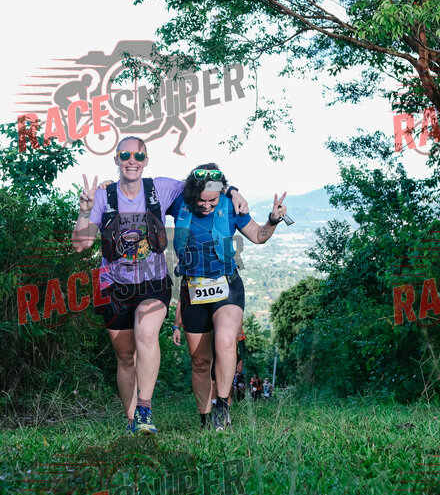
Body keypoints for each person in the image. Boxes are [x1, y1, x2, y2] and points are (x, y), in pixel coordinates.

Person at [71, 138, 247, 434]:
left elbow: (202, 185)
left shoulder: (161, 188)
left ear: (146, 160)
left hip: (152, 285)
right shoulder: (102, 196)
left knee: (146, 331)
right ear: (116, 159)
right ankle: (133, 422)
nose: (132, 160)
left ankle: (145, 409)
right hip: (113, 288)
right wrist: (85, 211)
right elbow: (81, 245)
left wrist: (232, 190)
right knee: (125, 357)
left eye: (138, 156)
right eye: (126, 155)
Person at [171, 163, 287, 431]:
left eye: (213, 200)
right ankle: (204, 419)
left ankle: (222, 408)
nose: (207, 205)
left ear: (221, 193)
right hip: (192, 288)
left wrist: (273, 219)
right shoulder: (178, 203)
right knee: (200, 361)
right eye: (202, 201)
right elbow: (149, 193)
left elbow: (258, 236)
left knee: (225, 342)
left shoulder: (230, 205)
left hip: (227, 284)